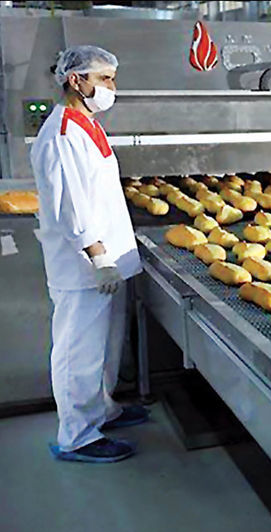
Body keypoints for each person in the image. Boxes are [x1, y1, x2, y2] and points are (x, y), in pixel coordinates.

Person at [30, 45, 147, 463]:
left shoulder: (88, 124)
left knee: (106, 345)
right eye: (104, 79)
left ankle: (103, 410)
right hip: (85, 266)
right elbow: (70, 206)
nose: (112, 87)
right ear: (75, 80)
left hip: (109, 259)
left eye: (113, 78)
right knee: (78, 350)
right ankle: (77, 436)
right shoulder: (62, 133)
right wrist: (98, 258)